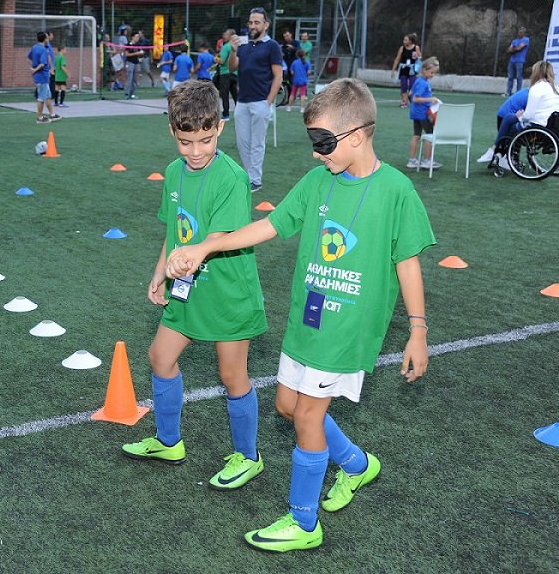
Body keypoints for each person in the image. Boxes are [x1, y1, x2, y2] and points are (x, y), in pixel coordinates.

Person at [165, 78, 434, 553]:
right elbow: (267, 226)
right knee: (288, 407)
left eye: (322, 143)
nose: (316, 154)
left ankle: (303, 522)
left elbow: (408, 262)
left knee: (308, 417)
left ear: (356, 135)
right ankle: (355, 464)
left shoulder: (396, 191)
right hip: (306, 321)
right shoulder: (317, 182)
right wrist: (206, 245)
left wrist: (417, 330)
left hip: (346, 329)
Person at [122, 80, 268, 494]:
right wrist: (159, 272)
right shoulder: (173, 172)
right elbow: (175, 231)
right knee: (159, 358)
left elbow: (215, 238)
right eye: (186, 142)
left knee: (232, 374)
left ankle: (248, 456)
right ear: (173, 132)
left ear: (219, 128)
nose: (196, 150)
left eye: (205, 139)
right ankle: (169, 442)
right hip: (187, 287)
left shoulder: (233, 177)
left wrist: (189, 256)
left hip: (227, 294)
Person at [228, 7, 283, 193]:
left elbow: (278, 76)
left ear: (266, 25)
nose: (253, 25)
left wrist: (268, 101)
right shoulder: (242, 45)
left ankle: (255, 180)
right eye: (250, 22)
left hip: (261, 101)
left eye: (257, 22)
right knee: (243, 142)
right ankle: (248, 176)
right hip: (241, 101)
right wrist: (233, 51)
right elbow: (231, 68)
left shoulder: (272, 46)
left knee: (257, 143)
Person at [493, 61, 559, 170]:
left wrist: (521, 116)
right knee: (510, 118)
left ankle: (501, 154)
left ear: (536, 73)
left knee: (512, 125)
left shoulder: (536, 88)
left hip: (537, 127)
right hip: (552, 125)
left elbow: (529, 115)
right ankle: (500, 152)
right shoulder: (556, 88)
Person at [476, 88, 529, 164]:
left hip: (504, 115)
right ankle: (503, 156)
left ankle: (497, 153)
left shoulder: (527, 91)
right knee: (509, 138)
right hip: (507, 116)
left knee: (507, 140)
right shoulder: (530, 96)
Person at [406, 56, 441, 170]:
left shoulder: (418, 80)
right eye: (431, 73)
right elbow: (416, 98)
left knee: (416, 136)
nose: (433, 75)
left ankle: (412, 160)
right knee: (430, 136)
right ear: (424, 70)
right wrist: (430, 99)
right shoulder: (423, 83)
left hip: (416, 113)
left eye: (434, 73)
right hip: (422, 114)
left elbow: (410, 93)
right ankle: (427, 160)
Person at [28, 31, 60, 123]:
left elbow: (29, 57)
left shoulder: (34, 47)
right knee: (41, 98)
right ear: (45, 39)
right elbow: (42, 64)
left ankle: (52, 115)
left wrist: (32, 67)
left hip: (41, 76)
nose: (48, 39)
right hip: (42, 76)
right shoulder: (42, 49)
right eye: (47, 38)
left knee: (47, 96)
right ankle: (40, 117)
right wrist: (35, 69)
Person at [391, 33, 421, 108]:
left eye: (406, 40)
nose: (404, 41)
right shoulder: (402, 48)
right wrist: (393, 70)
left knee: (412, 85)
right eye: (404, 40)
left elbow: (419, 58)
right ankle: (404, 101)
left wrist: (417, 58)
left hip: (412, 70)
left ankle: (412, 99)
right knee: (403, 85)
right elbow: (397, 59)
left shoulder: (416, 48)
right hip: (404, 69)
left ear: (410, 41)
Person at [214, 29, 238, 120]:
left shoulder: (226, 47)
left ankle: (226, 114)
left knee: (225, 94)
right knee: (235, 94)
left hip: (225, 73)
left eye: (226, 34)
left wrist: (216, 58)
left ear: (231, 36)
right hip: (234, 73)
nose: (224, 35)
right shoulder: (237, 47)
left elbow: (222, 61)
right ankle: (241, 112)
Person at [505, 26, 529, 96]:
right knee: (510, 77)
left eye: (522, 32)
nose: (520, 34)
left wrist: (513, 49)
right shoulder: (514, 41)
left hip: (520, 61)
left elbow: (519, 48)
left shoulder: (526, 40)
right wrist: (513, 49)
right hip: (512, 61)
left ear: (524, 33)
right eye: (519, 32)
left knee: (519, 77)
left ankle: (518, 92)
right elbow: (509, 50)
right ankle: (508, 92)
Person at [123, 31, 144, 99]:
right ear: (132, 37)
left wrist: (140, 54)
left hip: (136, 63)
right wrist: (137, 53)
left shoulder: (137, 45)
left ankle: (132, 94)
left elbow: (139, 53)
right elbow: (127, 54)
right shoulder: (128, 45)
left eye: (138, 37)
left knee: (135, 79)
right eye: (136, 36)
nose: (137, 38)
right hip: (130, 63)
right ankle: (126, 94)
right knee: (129, 78)